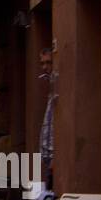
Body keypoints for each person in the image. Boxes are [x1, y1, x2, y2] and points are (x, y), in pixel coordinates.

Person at [39, 46, 57, 190]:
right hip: (48, 156)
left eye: (48, 63)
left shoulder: (57, 82)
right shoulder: (50, 84)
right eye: (42, 63)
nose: (45, 67)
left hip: (54, 156)